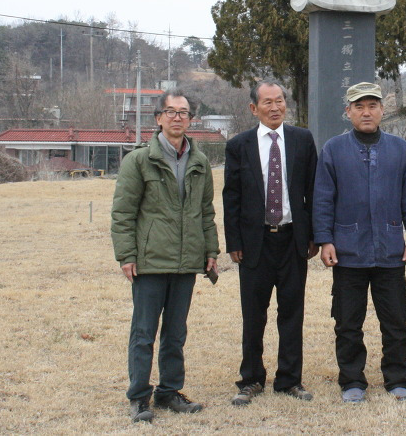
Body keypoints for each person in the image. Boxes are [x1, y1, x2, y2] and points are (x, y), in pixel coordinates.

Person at [110, 90, 219, 423]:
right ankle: (139, 397)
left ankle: (170, 391)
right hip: (150, 261)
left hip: (187, 261)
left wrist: (211, 250)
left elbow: (205, 211)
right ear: (158, 118)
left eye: (183, 113)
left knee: (176, 332)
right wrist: (126, 255)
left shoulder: (199, 161)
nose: (177, 117)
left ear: (191, 120)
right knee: (143, 332)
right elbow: (123, 213)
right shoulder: (138, 161)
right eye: (170, 112)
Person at [313, 82, 406, 403]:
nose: (366, 112)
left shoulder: (399, 149)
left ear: (382, 110)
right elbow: (323, 199)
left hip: (390, 250)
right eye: (359, 106)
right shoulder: (333, 149)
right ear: (347, 112)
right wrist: (325, 240)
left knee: (396, 321)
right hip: (348, 252)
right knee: (348, 323)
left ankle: (398, 378)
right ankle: (352, 381)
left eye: (372, 105)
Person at [223, 80, 318, 405]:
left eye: (280, 101)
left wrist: (313, 236)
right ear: (254, 108)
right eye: (268, 102)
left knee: (292, 312)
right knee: (254, 314)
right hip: (255, 242)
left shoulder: (302, 140)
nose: (275, 107)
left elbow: (312, 191)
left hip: (293, 240)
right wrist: (234, 240)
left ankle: (289, 380)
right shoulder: (239, 145)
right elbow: (231, 196)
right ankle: (250, 379)